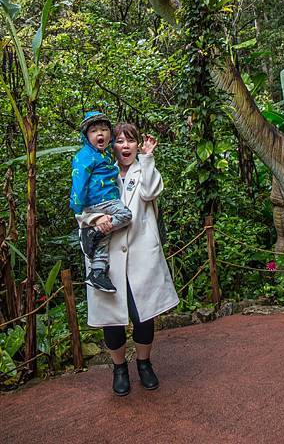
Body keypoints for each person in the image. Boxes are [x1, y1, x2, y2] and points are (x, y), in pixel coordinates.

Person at [86, 122, 179, 396]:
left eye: (131, 141)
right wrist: (95, 220)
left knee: (143, 316)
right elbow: (83, 207)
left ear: (138, 145)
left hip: (141, 255)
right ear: (111, 145)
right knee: (111, 319)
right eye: (119, 141)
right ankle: (119, 369)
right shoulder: (100, 171)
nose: (125, 146)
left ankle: (144, 364)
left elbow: (150, 192)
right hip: (108, 257)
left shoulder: (145, 169)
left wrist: (148, 158)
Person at [70, 111, 132, 293]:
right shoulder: (85, 156)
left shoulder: (104, 155)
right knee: (126, 215)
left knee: (103, 240)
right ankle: (93, 232)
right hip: (102, 202)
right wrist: (78, 207)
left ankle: (97, 273)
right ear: (86, 136)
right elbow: (79, 181)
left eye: (104, 130)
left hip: (104, 203)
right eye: (94, 131)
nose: (100, 134)